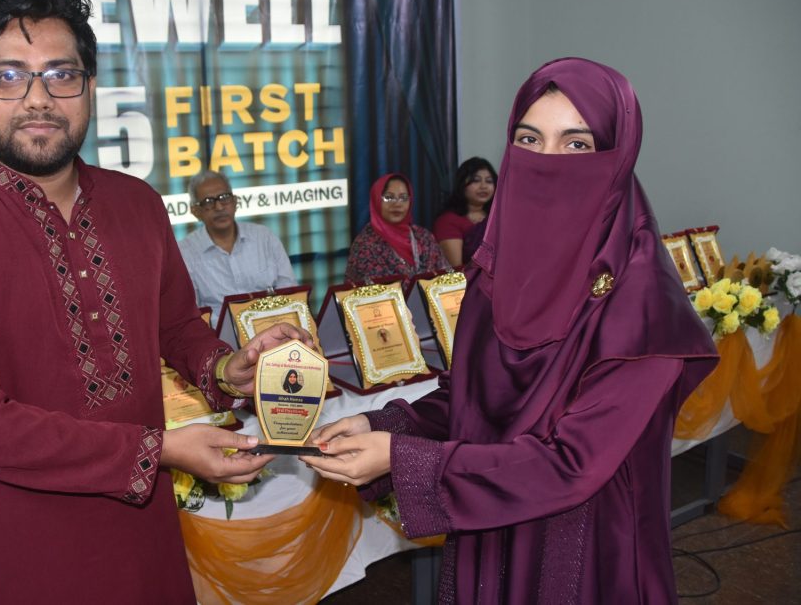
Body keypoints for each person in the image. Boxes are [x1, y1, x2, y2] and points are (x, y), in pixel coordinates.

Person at [0, 0, 309, 603]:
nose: (38, 98)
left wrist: (227, 367)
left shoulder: (137, 203)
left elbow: (175, 327)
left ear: (88, 89)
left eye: (62, 74)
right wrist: (161, 450)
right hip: (15, 544)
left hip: (140, 528)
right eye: (9, 76)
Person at [303, 58, 719, 603]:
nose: (546, 163)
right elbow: (469, 397)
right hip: (489, 523)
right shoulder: (498, 267)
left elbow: (573, 465)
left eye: (576, 144)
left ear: (617, 158)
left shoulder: (642, 301)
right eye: (529, 140)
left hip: (583, 547)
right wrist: (379, 423)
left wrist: (399, 457)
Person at [178, 169, 297, 325]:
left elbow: (290, 293)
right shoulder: (185, 252)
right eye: (208, 202)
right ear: (195, 212)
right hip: (219, 337)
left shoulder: (264, 237)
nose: (219, 207)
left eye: (224, 198)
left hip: (273, 328)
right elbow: (191, 314)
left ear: (235, 202)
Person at [344, 173, 448, 283]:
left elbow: (445, 278)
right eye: (389, 197)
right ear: (376, 200)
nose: (397, 204)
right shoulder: (365, 245)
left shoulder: (424, 237)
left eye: (403, 198)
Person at [433, 157, 497, 267]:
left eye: (489, 181)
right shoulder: (448, 221)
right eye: (476, 180)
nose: (484, 186)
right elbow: (456, 268)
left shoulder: (497, 217)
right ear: (461, 184)